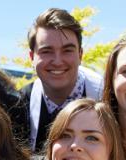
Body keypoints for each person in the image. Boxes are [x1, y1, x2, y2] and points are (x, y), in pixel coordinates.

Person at [17, 8, 103, 152]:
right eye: (46, 51)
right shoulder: (19, 104)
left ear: (80, 55)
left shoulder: (107, 99)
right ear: (32, 57)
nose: (57, 61)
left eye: (67, 50)